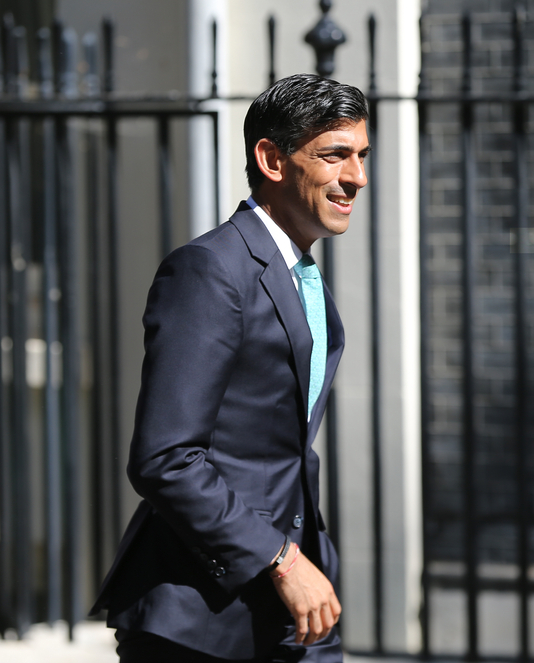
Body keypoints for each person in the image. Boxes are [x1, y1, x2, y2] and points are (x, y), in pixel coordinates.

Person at [90, 73, 371, 663]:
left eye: (362, 157)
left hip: (292, 607)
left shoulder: (302, 277)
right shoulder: (210, 270)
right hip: (201, 616)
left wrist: (308, 557)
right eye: (335, 156)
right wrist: (282, 558)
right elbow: (165, 457)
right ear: (271, 159)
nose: (356, 178)